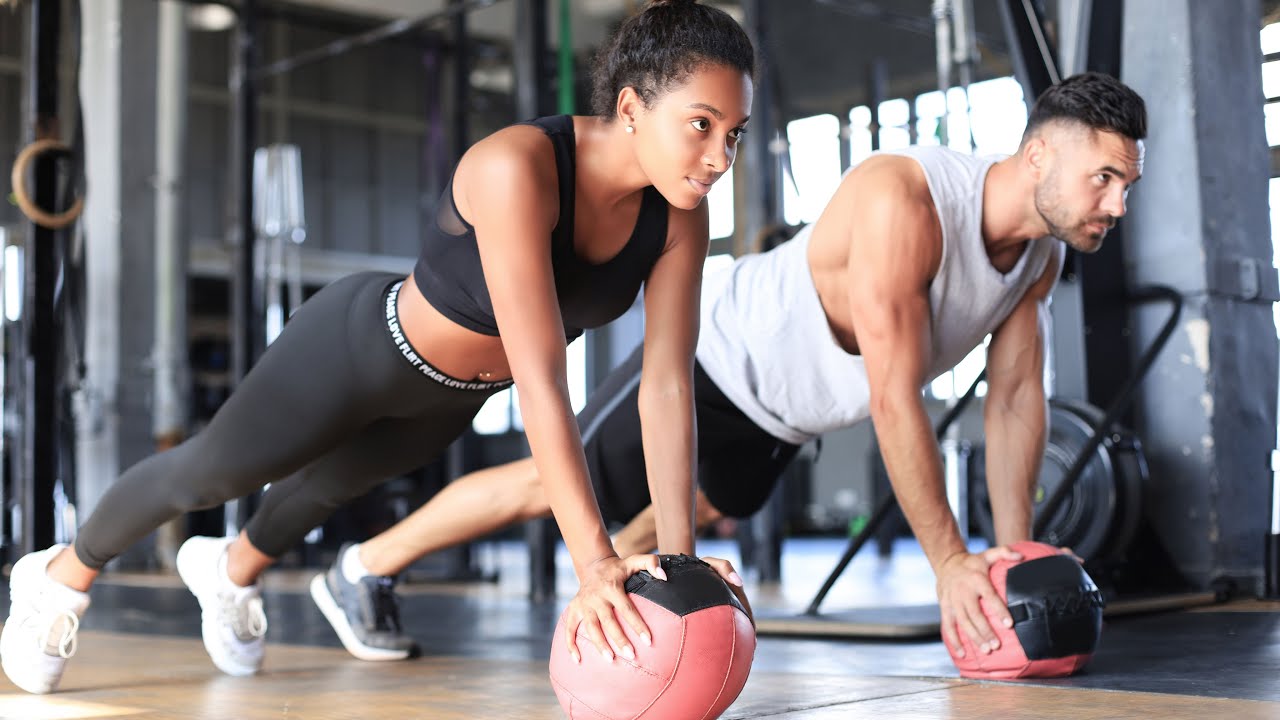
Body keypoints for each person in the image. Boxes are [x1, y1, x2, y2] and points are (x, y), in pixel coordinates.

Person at [0, 0, 756, 695]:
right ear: (632, 106)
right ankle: (59, 577)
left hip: (452, 396)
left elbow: (666, 385)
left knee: (332, 489)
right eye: (702, 124)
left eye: (735, 133)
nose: (721, 156)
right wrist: (594, 565)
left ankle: (230, 574)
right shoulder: (516, 168)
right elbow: (542, 377)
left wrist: (678, 566)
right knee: (209, 476)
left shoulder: (679, 219)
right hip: (361, 348)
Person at [307, 72, 1147, 666]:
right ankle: (363, 568)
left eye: (1126, 184)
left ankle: (623, 639)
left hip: (788, 417)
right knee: (545, 485)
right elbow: (896, 397)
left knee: (670, 547)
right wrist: (949, 565)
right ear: (1038, 155)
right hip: (714, 361)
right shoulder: (909, 200)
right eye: (1102, 178)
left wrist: (1006, 552)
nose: (1115, 204)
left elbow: (1012, 404)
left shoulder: (1040, 261)